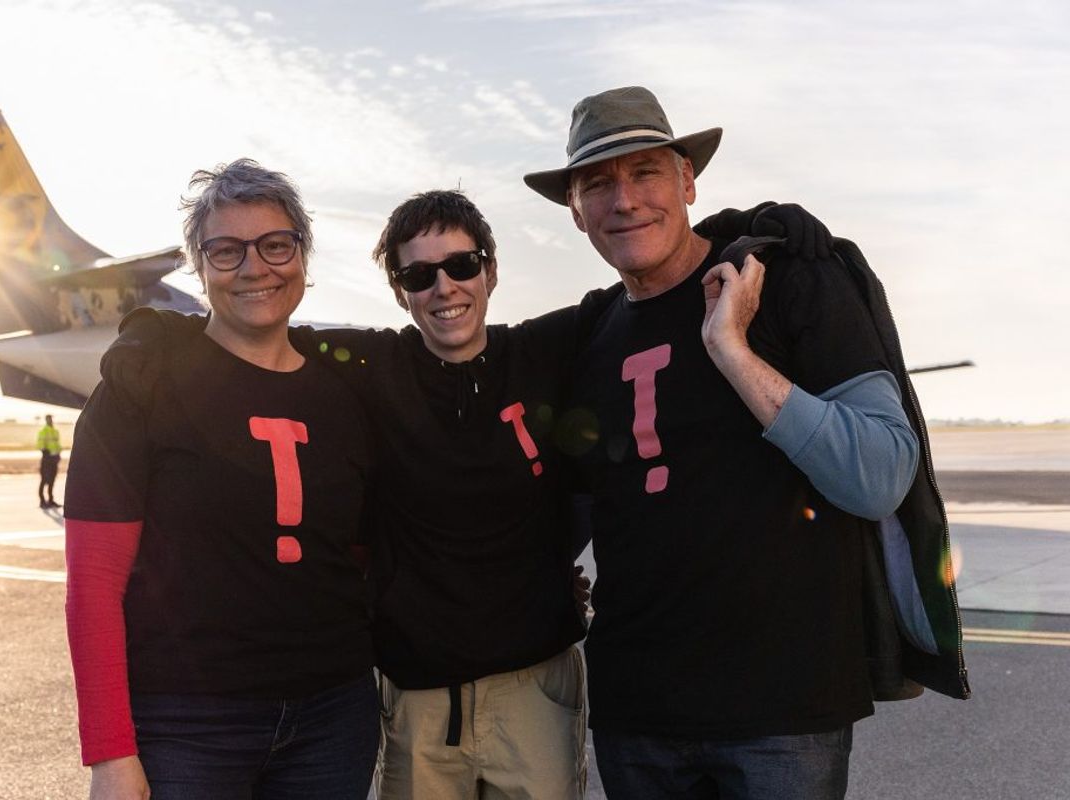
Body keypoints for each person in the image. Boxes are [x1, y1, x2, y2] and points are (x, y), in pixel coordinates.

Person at [107, 190, 833, 799]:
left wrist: (748, 229)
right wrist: (155, 329)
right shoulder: (368, 366)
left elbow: (649, 283)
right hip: (418, 703)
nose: (443, 288)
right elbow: (262, 324)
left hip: (534, 692)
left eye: (461, 266)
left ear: (489, 272)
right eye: (419, 276)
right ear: (398, 290)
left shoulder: (550, 348)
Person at [522, 85, 967, 799]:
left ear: (688, 180)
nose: (624, 199)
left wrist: (731, 350)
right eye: (597, 183)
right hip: (637, 715)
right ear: (575, 212)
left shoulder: (785, 280)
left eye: (646, 172)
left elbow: (880, 473)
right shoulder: (588, 334)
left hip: (783, 717)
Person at [64, 160, 378, 800]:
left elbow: (363, 550)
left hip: (333, 718)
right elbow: (94, 584)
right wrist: (110, 754)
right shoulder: (143, 384)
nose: (255, 268)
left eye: (276, 245)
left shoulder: (345, 394)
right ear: (199, 267)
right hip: (186, 724)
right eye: (226, 251)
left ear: (303, 257)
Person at [36, 414, 61, 509]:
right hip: (46, 459)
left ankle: (50, 500)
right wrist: (46, 453)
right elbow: (40, 444)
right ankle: (42, 501)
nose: (50, 421)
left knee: (52, 480)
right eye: (48, 419)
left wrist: (58, 455)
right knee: (44, 480)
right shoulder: (43, 431)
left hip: (54, 459)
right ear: (46, 420)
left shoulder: (55, 431)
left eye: (51, 419)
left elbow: (57, 444)